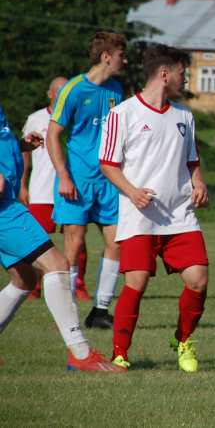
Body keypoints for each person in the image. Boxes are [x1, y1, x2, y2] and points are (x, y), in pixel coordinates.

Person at [99, 44, 210, 372]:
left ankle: (183, 340)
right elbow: (108, 164)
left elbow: (192, 159)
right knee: (136, 284)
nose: (185, 79)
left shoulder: (184, 116)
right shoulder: (123, 114)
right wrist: (132, 192)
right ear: (164, 74)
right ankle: (120, 353)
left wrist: (199, 182)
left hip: (180, 215)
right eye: (182, 73)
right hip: (140, 216)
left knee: (199, 279)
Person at [0, 104, 122, 372]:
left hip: (6, 203)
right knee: (57, 265)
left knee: (25, 279)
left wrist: (20, 145)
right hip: (4, 210)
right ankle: (80, 353)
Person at [46, 32, 127, 328]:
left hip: (108, 180)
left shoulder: (117, 90)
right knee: (74, 244)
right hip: (77, 181)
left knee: (117, 242)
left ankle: (100, 311)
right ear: (107, 56)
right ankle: (66, 313)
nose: (125, 60)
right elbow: (52, 134)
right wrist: (63, 176)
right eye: (121, 54)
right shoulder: (74, 89)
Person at [20, 77, 92, 301]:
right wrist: (22, 185)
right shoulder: (36, 119)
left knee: (77, 239)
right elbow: (23, 153)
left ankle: (78, 285)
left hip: (71, 189)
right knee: (35, 241)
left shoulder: (78, 116)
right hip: (41, 191)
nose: (64, 96)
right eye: (60, 92)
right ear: (50, 94)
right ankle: (33, 286)